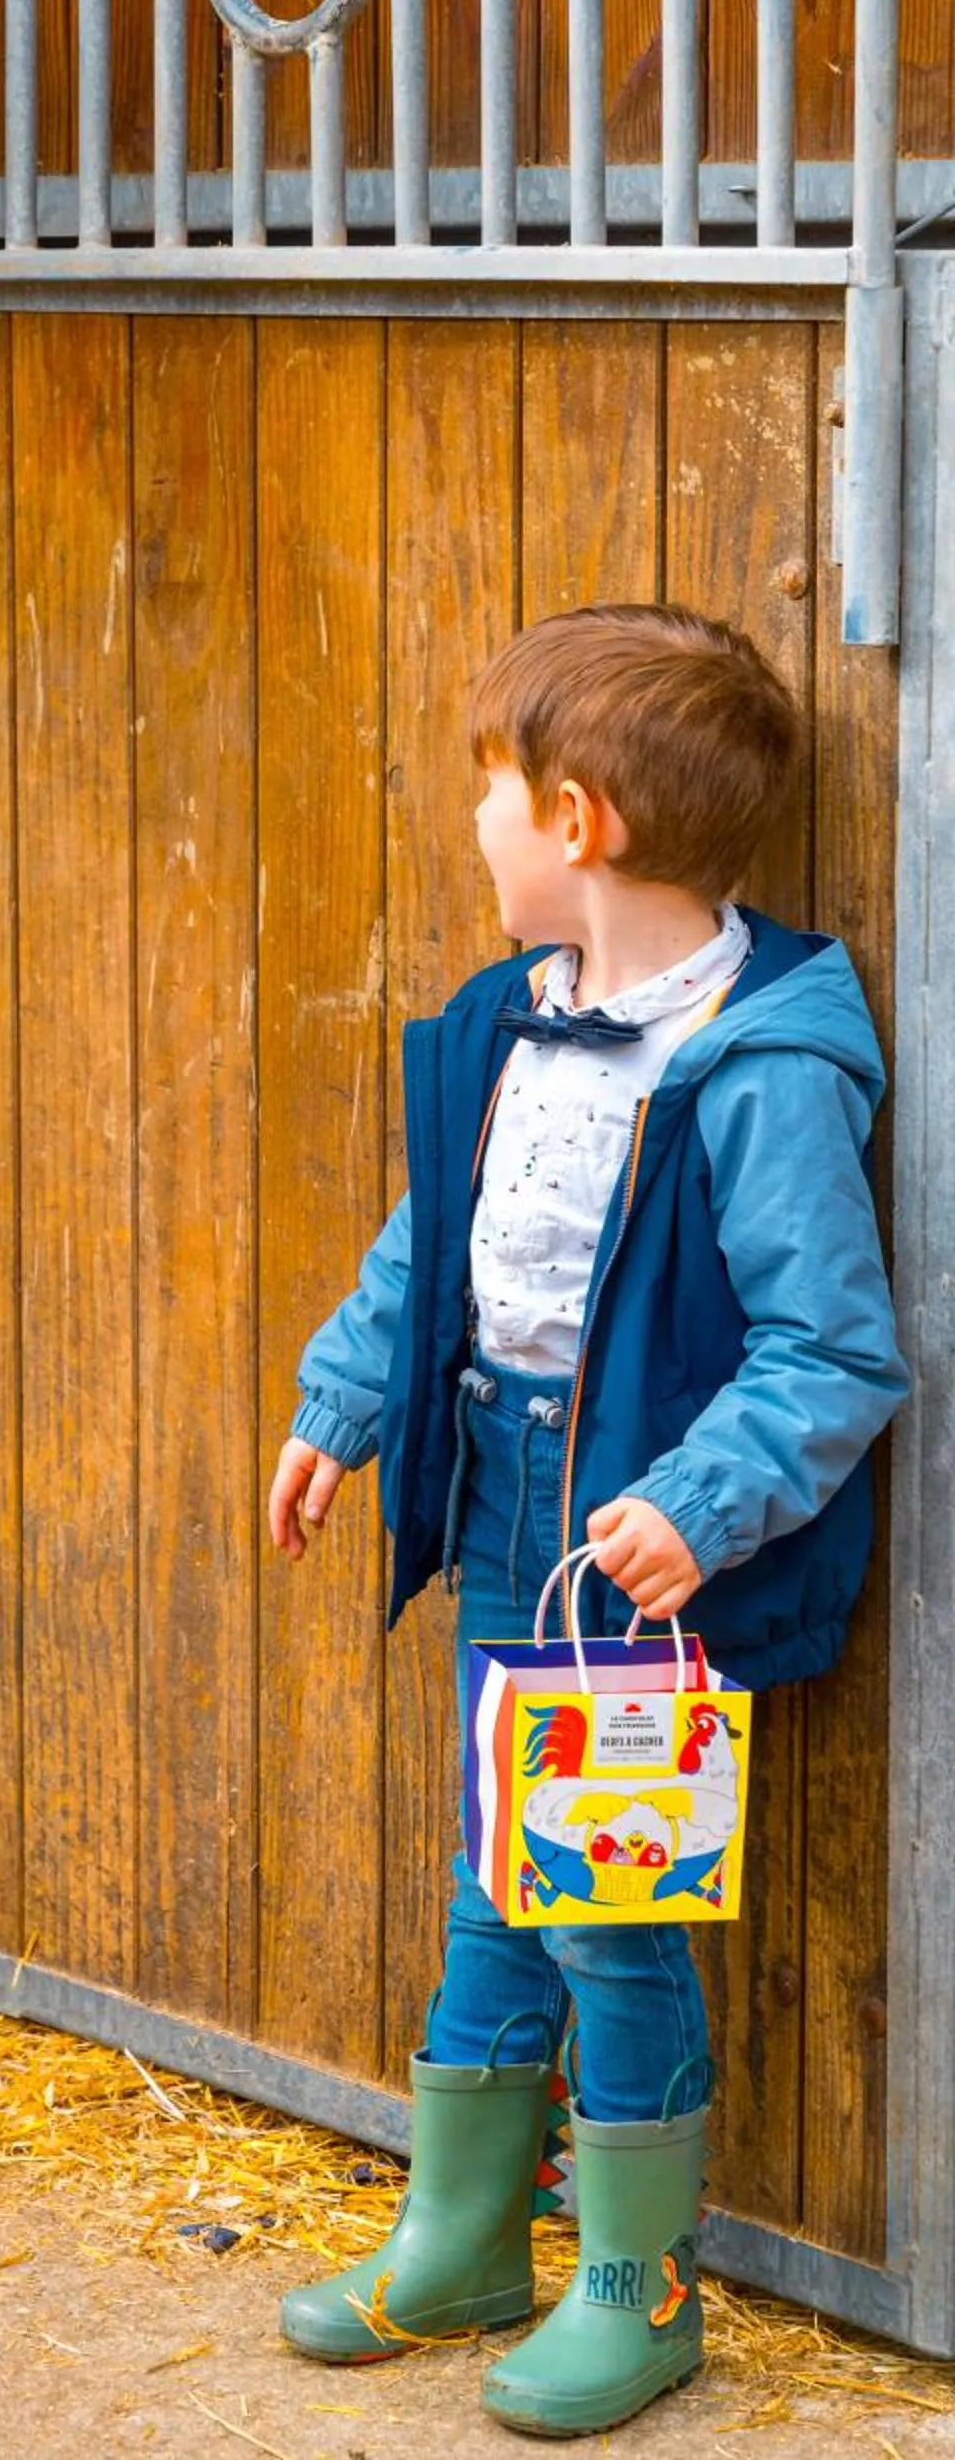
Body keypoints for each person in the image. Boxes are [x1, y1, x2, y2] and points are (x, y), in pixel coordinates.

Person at [268, 602, 908, 2437]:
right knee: (494, 1875)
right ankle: (461, 2240)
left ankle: (639, 2286)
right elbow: (438, 1253)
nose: (469, 822)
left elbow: (832, 1350)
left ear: (577, 819)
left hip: (632, 1549)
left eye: (488, 789)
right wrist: (347, 1400)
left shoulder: (763, 1064)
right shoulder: (509, 1024)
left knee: (609, 1901)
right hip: (497, 1507)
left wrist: (696, 1509)